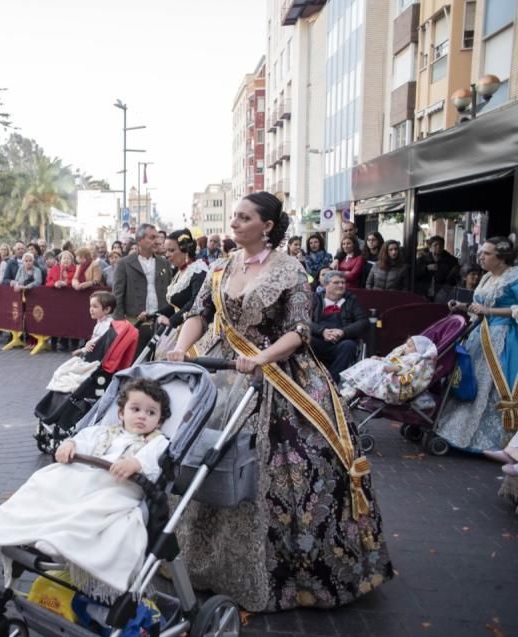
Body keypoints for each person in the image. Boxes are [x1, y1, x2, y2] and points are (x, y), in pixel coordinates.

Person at [165, 191, 391, 612]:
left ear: (267, 226)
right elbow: (197, 313)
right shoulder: (221, 266)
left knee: (286, 465)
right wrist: (182, 348)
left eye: (244, 217)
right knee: (200, 456)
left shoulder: (291, 270)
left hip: (276, 375)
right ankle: (197, 560)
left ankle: (283, 573)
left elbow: (300, 331)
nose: (234, 223)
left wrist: (262, 358)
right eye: (233, 216)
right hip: (221, 368)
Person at [0, 378, 171, 596]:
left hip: (119, 487)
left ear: (159, 422)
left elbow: (153, 459)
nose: (142, 416)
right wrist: (69, 445)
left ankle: (63, 539)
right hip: (87, 477)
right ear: (121, 413)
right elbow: (82, 439)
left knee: (94, 508)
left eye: (151, 413)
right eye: (136, 409)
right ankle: (30, 524)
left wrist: (135, 463)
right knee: (47, 482)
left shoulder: (157, 442)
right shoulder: (105, 432)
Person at [439, 238, 518, 454]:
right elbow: (480, 307)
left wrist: (490, 312)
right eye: (481, 252)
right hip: (480, 335)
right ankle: (459, 430)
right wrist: (463, 306)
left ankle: (495, 443)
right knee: (470, 380)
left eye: (487, 254)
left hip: (504, 338)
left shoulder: (514, 278)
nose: (480, 257)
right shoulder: (486, 278)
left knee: (490, 386)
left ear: (501, 257)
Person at [112, 224, 172, 355]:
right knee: (133, 363)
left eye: (157, 237)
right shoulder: (124, 263)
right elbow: (117, 295)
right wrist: (120, 323)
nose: (157, 241)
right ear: (139, 240)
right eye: (152, 237)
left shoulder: (164, 263)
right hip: (135, 322)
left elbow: (170, 293)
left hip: (160, 323)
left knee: (158, 364)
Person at [153, 231, 208, 359]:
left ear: (186, 250)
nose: (167, 255)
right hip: (177, 326)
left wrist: (172, 320)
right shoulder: (182, 270)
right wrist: (155, 313)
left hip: (191, 329)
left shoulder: (199, 270)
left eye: (171, 250)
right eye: (166, 251)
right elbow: (176, 303)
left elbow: (195, 302)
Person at [339, 335, 437, 404]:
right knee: (370, 364)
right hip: (388, 372)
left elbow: (407, 368)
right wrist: (380, 359)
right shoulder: (405, 355)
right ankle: (350, 390)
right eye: (406, 344)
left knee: (370, 367)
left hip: (395, 381)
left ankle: (350, 391)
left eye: (409, 346)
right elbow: (391, 360)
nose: (405, 347)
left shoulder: (415, 357)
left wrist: (394, 368)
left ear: (419, 349)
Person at [310, 271, 369, 383]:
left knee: (349, 346)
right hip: (319, 339)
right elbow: (304, 321)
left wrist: (343, 332)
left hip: (341, 341)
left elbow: (363, 322)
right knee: (304, 342)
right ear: (325, 285)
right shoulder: (315, 299)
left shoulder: (352, 300)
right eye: (336, 282)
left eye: (343, 282)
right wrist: (322, 331)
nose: (341, 285)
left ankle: (330, 382)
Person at [415, 235, 460, 301]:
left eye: (441, 245)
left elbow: (453, 277)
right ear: (430, 247)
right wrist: (426, 268)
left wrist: (445, 290)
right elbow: (415, 274)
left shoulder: (451, 261)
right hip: (423, 293)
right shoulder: (422, 260)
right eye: (436, 245)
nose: (438, 247)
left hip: (443, 294)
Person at [71, 291, 115, 357]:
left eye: (95, 306)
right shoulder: (101, 322)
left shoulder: (108, 324)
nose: (91, 309)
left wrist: (86, 347)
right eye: (90, 306)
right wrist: (83, 350)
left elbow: (99, 343)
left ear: (107, 309)